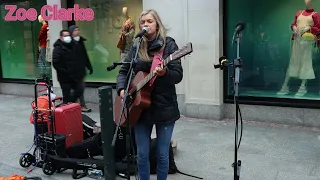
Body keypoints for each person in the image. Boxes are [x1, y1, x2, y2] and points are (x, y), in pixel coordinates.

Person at [116, 9, 183, 180]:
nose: (145, 24)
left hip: (164, 107)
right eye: (142, 22)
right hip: (139, 109)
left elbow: (178, 75)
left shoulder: (169, 45)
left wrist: (165, 73)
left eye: (149, 21)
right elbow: (124, 71)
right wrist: (122, 89)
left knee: (162, 154)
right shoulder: (137, 46)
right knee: (142, 155)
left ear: (157, 23)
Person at [52, 30, 85, 104]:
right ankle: (66, 109)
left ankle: (71, 105)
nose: (68, 37)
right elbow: (55, 63)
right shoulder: (58, 48)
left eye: (68, 35)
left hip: (74, 76)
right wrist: (65, 71)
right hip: (64, 78)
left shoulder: (73, 45)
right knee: (66, 96)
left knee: (79, 90)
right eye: (65, 36)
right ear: (61, 37)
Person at [69, 25, 93, 112]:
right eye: (75, 30)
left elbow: (84, 55)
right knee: (77, 88)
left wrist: (89, 66)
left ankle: (77, 105)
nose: (77, 31)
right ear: (71, 33)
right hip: (72, 71)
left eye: (78, 30)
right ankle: (74, 105)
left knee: (80, 88)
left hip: (80, 70)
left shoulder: (80, 41)